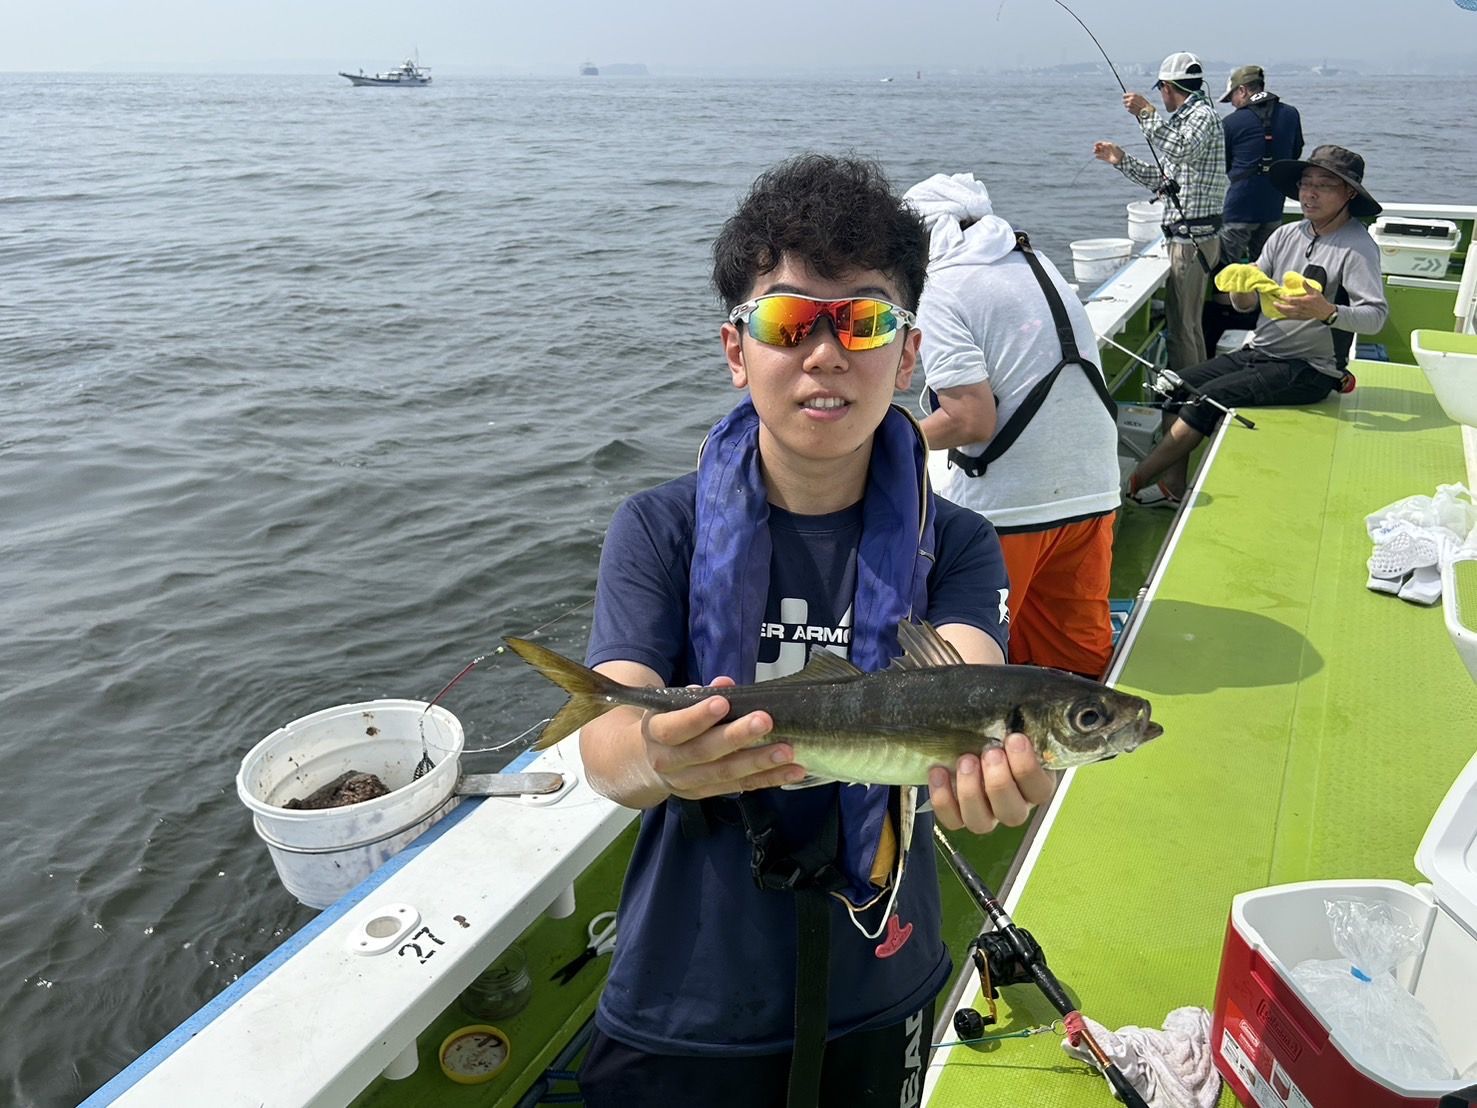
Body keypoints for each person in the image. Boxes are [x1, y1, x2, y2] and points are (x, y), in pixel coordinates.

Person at [573, 154, 1053, 1107]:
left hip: (881, 969)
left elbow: (968, 677)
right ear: (736, 349)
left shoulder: (957, 543)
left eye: (864, 322)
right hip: (687, 981)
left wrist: (986, 770)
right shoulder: (658, 529)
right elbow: (607, 749)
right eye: (789, 322)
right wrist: (661, 758)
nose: (826, 355)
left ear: (907, 357)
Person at [903, 172, 1120, 678]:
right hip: (1093, 489)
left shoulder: (941, 285)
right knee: (1074, 661)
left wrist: (884, 439)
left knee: (969, 664)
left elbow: (971, 418)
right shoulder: (1035, 261)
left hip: (1010, 504)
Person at [1125, 145, 1389, 508]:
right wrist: (1241, 290)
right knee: (1173, 387)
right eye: (1305, 183)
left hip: (1311, 369)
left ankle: (1129, 484)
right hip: (1259, 352)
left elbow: (1375, 316)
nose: (1310, 193)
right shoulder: (1284, 235)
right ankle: (1172, 487)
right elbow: (1247, 303)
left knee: (1204, 402)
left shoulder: (1358, 248)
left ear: (1349, 194)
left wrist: (1327, 312)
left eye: (1324, 185)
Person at [1094, 51, 1227, 374]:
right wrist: (1121, 160)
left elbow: (1181, 149)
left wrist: (1146, 113)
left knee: (1183, 327)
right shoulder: (1186, 120)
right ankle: (1199, 382)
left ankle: (1190, 391)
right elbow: (1164, 181)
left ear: (1167, 87)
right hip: (1188, 238)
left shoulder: (1202, 116)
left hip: (1192, 240)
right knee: (1188, 324)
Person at [1218, 64, 1305, 265]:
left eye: (1232, 97)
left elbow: (1223, 163)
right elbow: (1296, 152)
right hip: (1273, 203)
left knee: (1226, 268)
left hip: (1240, 205)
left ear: (1242, 90)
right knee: (1264, 267)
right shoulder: (1291, 114)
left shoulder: (1231, 122)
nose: (1232, 104)